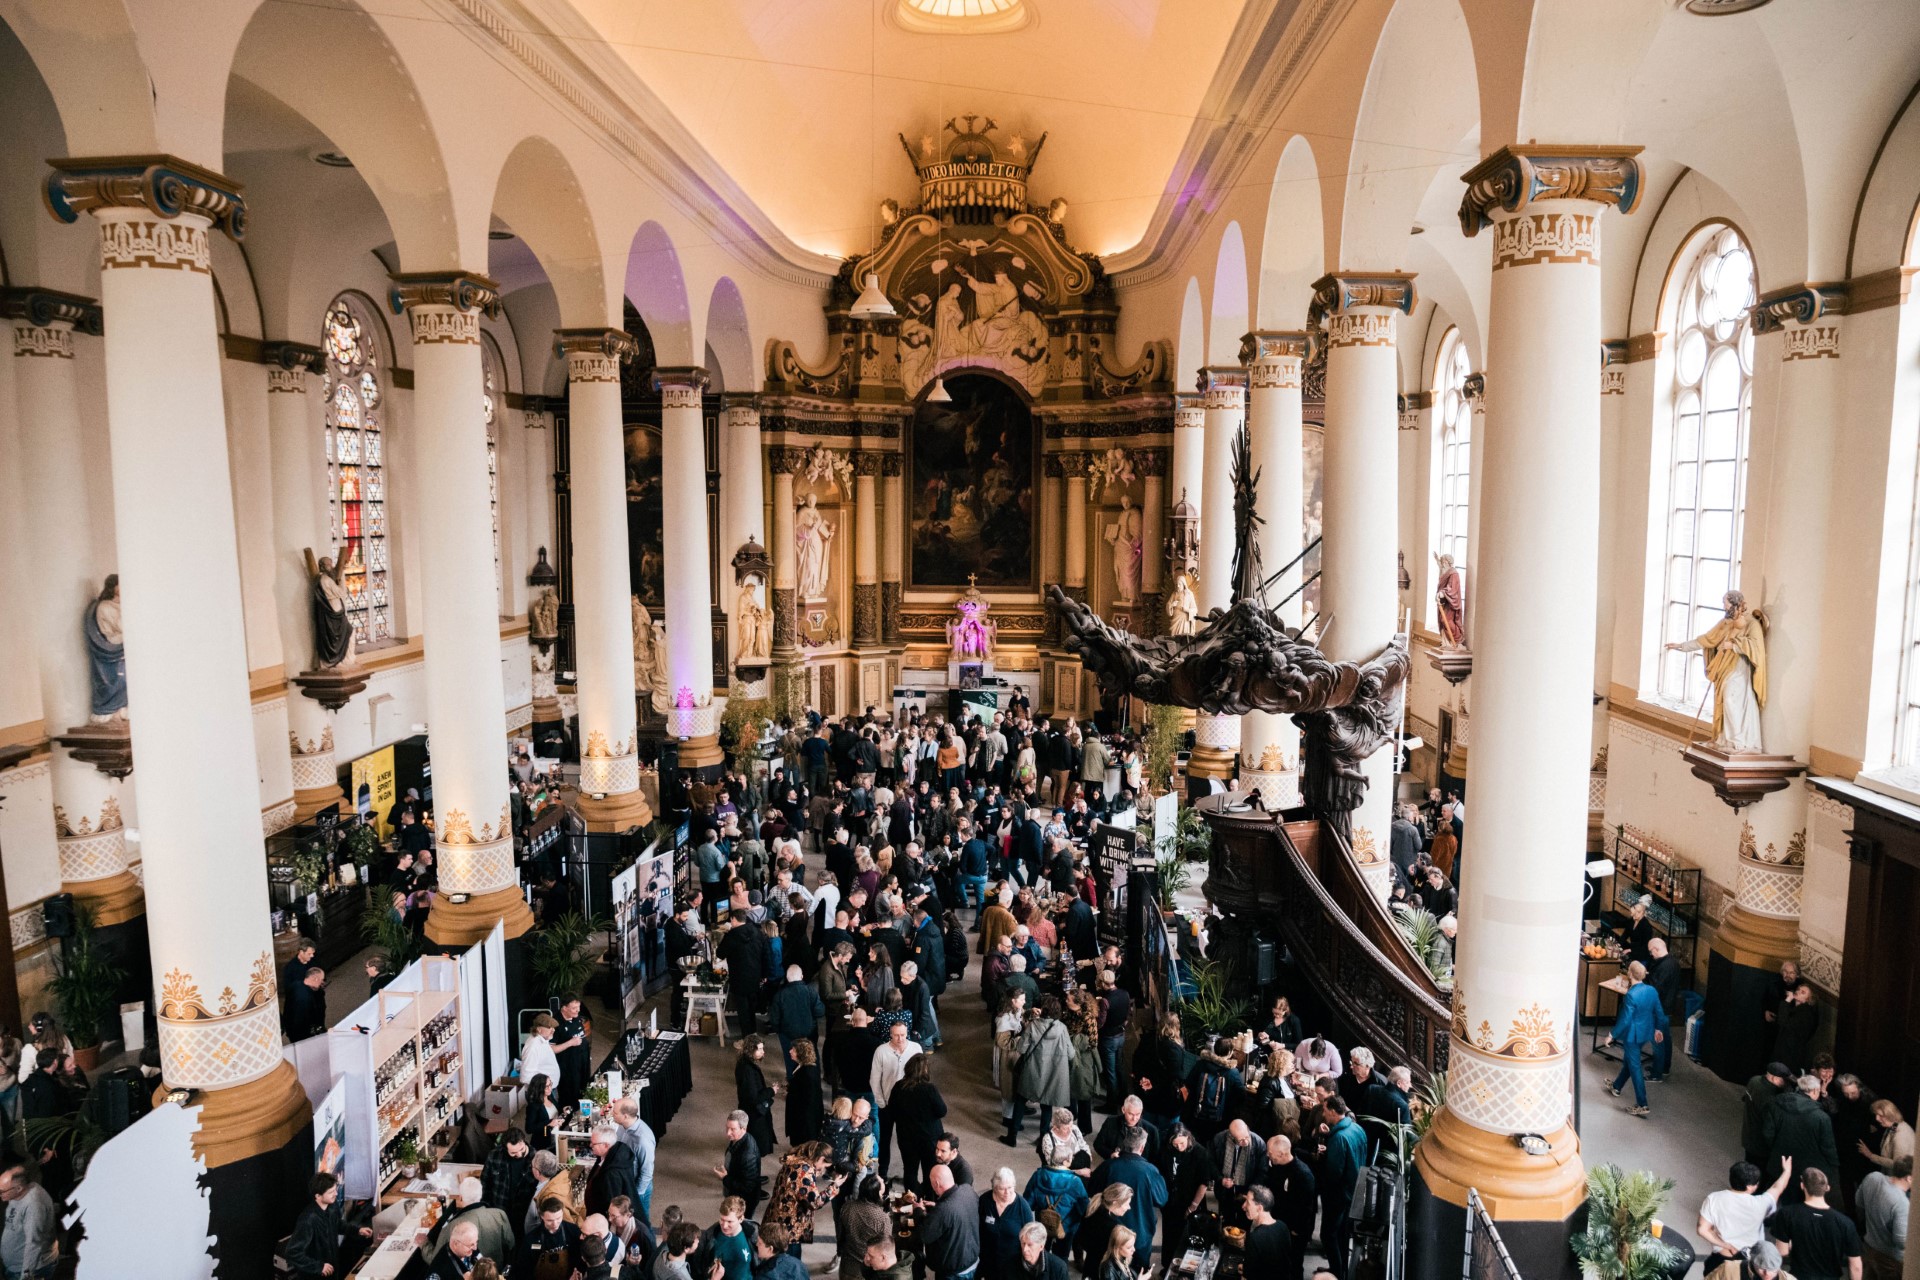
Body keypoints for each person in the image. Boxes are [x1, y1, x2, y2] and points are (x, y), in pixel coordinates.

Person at [1089, 1127, 1168, 1271]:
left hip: (1110, 1235)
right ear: (1142, 1147)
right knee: (1138, 1272)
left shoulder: (1108, 1166)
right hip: (1140, 1235)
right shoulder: (1150, 1171)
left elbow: (1092, 1191)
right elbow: (1162, 1199)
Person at [1699, 1159, 1794, 1275]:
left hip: (1721, 1258)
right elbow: (1777, 1188)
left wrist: (1724, 1244)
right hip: (1749, 1262)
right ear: (1749, 1186)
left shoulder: (1714, 1199)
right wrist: (1787, 1171)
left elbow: (1702, 1230)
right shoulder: (1761, 1204)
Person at [1769, 1167, 1862, 1280]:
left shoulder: (1787, 1214)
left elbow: (1782, 1251)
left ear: (1802, 1186)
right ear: (1827, 1188)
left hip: (1799, 1277)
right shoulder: (1845, 1223)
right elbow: (1855, 1265)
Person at [1007, 996, 1074, 1146]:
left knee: (1020, 1100)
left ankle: (1012, 1135)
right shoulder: (1062, 1028)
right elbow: (1071, 1054)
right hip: (1053, 1073)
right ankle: (1043, 1137)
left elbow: (1021, 1048)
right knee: (1047, 1105)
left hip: (1033, 1069)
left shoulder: (1033, 1025)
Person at [1604, 960, 1668, 1117]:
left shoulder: (1631, 995)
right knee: (1630, 1061)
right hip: (1646, 1032)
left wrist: (1611, 1035)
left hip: (1632, 1035)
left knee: (1634, 1067)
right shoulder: (1651, 990)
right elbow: (1659, 1012)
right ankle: (1617, 1086)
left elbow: (1625, 1019)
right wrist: (1658, 1029)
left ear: (1629, 974)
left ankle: (1642, 1104)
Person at [283, 1171, 369, 1280]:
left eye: (335, 1190)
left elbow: (338, 1224)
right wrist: (318, 1267)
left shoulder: (332, 1206)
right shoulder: (308, 1219)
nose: (336, 1194)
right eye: (331, 1192)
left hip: (333, 1271)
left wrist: (358, 1230)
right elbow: (292, 1252)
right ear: (318, 1196)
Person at [1768, 1075, 1841, 1200]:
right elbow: (1827, 1146)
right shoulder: (1821, 1117)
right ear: (1814, 1091)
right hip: (1804, 1168)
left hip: (1779, 1160)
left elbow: (1768, 1133)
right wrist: (1834, 1165)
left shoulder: (1778, 1103)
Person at [1320, 1096, 1368, 1278]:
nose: (1323, 1113)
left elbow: (1334, 1173)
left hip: (1338, 1194)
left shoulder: (1339, 1138)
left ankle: (1336, 1272)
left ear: (1333, 1112)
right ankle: (1341, 1271)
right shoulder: (1358, 1129)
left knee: (1328, 1234)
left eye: (1325, 1110)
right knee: (1342, 1234)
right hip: (1354, 1191)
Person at [871, 1019, 924, 1178]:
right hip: (887, 1104)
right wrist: (881, 1102)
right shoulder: (881, 1051)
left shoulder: (916, 1048)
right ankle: (883, 1173)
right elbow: (874, 1079)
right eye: (896, 1035)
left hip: (908, 1105)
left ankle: (910, 1175)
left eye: (902, 1035)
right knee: (884, 1140)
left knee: (907, 1141)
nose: (900, 1039)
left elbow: (921, 1076)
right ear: (890, 1034)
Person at [424, 1178, 517, 1268]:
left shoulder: (453, 1227)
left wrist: (423, 1243)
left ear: (460, 1198)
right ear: (481, 1195)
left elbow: (435, 1260)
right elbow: (511, 1245)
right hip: (496, 1273)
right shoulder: (500, 1214)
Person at [890, 1054, 949, 1190]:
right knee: (930, 1171)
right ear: (925, 1071)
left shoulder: (899, 1087)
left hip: (906, 1137)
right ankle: (928, 1200)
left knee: (910, 1171)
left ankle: (912, 1200)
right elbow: (942, 1111)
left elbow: (892, 1111)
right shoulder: (929, 1089)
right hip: (929, 1139)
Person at [1158, 1124, 1215, 1259]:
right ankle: (1167, 1265)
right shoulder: (1167, 1149)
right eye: (1175, 1144)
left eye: (1182, 1143)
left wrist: (1193, 1206)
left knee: (1187, 1236)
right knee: (1169, 1234)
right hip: (1171, 1201)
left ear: (1188, 1137)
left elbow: (1203, 1183)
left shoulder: (1200, 1153)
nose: (1179, 1147)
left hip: (1190, 1202)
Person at [1263, 1135, 1318, 1275]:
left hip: (1294, 1231)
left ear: (1281, 1154)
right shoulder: (1276, 1166)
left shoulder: (1303, 1174)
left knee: (1293, 1265)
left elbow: (1307, 1208)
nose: (1268, 1155)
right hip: (1279, 1224)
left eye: (1270, 1153)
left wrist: (1296, 1230)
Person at [919, 1163, 982, 1280]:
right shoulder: (968, 1191)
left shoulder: (943, 1209)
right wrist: (937, 1206)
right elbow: (958, 1212)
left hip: (953, 1271)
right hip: (973, 1260)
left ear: (936, 1183)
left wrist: (918, 1211)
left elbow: (924, 1234)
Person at [1856, 1156, 1910, 1280]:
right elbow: (1901, 1242)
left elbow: (1858, 1201)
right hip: (1889, 1258)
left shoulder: (1873, 1177)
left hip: (1869, 1246)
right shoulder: (1902, 1203)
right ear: (1909, 1178)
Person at [608, 1096, 657, 1225]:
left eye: (615, 1112)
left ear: (625, 1116)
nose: (612, 1114)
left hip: (638, 1189)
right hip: (628, 1182)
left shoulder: (642, 1140)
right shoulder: (623, 1126)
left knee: (641, 1223)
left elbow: (647, 1172)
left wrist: (636, 1196)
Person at [981, 1165, 1035, 1280]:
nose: (1007, 1192)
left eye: (1010, 1187)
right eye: (1002, 1188)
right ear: (994, 1187)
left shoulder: (1023, 1207)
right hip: (989, 1261)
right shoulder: (984, 1201)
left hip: (1013, 1263)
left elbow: (1031, 1237)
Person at [714, 1111, 766, 1218]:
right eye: (727, 1128)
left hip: (744, 1201)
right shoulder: (739, 1139)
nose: (728, 1133)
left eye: (732, 1129)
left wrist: (725, 1178)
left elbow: (747, 1186)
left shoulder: (747, 1155)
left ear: (744, 1129)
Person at [482, 1130, 537, 1231]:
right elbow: (485, 1183)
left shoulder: (536, 1160)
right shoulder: (494, 1156)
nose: (519, 1154)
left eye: (521, 1149)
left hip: (523, 1213)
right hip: (499, 1211)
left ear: (524, 1142)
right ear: (505, 1149)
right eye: (513, 1153)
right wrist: (486, 1207)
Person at [584, 1124, 640, 1220]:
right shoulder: (610, 1154)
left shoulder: (612, 1174)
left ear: (606, 1145)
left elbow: (611, 1204)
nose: (590, 1145)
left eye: (593, 1144)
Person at [735, 1035, 780, 1156]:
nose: (763, 1052)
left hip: (750, 1111)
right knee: (756, 1147)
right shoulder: (747, 1070)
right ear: (750, 1050)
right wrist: (772, 1091)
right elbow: (753, 1097)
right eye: (759, 1049)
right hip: (754, 1113)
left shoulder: (744, 1064)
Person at [1745, 1063, 1795, 1169]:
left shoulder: (1754, 1080)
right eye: (1784, 1080)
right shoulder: (1770, 1098)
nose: (1786, 1083)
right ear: (1773, 1078)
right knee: (1756, 1173)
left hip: (1748, 1134)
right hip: (1760, 1145)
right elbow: (1769, 1128)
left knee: (1748, 1165)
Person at [1242, 1186, 1295, 1280]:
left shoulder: (1254, 1237)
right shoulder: (1282, 1226)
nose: (1243, 1206)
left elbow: (1247, 1277)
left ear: (1259, 1208)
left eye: (1247, 1203)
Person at [552, 995, 591, 1109]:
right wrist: (570, 1043)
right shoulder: (555, 1023)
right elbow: (551, 1049)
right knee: (570, 1096)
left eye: (578, 1007)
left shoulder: (576, 1017)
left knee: (583, 1089)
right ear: (564, 1008)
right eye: (574, 1008)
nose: (578, 1010)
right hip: (568, 1068)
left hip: (582, 1062)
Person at [1773, 983, 1821, 1074]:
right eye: (1798, 989)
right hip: (1786, 1050)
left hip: (1790, 1053)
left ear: (1809, 999)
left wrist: (1787, 1000)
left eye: (1803, 992)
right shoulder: (1797, 1010)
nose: (1798, 992)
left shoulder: (1806, 1014)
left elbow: (1783, 1023)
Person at [283, 966, 329, 1041]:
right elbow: (300, 1023)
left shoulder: (296, 985)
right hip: (306, 1037)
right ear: (315, 979)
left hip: (294, 1032)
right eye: (322, 980)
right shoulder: (304, 999)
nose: (322, 983)